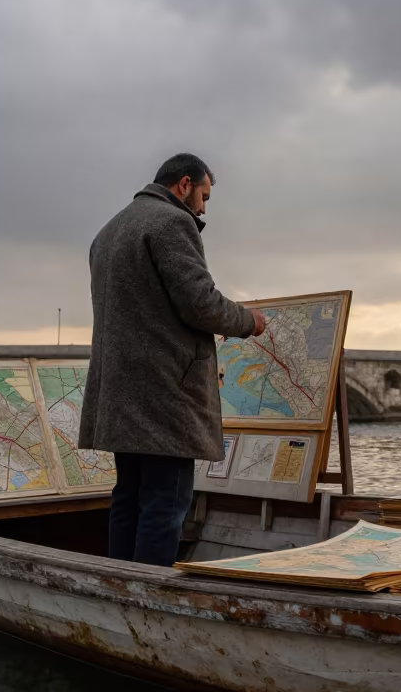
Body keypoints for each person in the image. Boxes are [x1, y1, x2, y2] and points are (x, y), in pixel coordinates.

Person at [79, 153, 267, 567]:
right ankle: (148, 595)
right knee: (167, 504)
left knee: (129, 497)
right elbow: (199, 303)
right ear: (184, 184)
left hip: (120, 393)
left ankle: (120, 584)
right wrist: (247, 321)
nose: (202, 209)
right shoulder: (172, 222)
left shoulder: (109, 231)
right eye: (203, 196)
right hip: (166, 394)